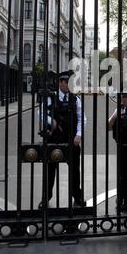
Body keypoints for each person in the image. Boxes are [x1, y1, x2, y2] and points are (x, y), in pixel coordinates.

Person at [38, 71, 87, 209]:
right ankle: (46, 197)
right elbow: (40, 113)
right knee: (50, 170)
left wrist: (79, 135)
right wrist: (51, 120)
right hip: (54, 139)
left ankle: (77, 196)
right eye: (66, 82)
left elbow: (82, 118)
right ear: (60, 82)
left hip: (71, 140)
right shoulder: (50, 98)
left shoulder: (75, 99)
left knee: (75, 171)